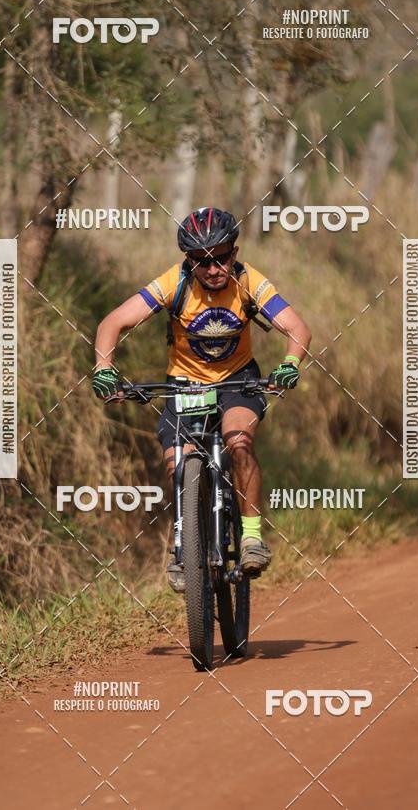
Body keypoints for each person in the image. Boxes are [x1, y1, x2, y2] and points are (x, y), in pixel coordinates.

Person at [92, 207, 311, 592]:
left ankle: (251, 537)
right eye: (202, 261)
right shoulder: (173, 283)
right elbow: (113, 323)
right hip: (184, 384)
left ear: (235, 252)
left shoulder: (248, 282)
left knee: (239, 441)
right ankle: (184, 551)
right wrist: (104, 368)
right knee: (177, 462)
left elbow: (297, 328)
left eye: (221, 257)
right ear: (189, 260)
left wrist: (290, 363)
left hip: (238, 380)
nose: (213, 269)